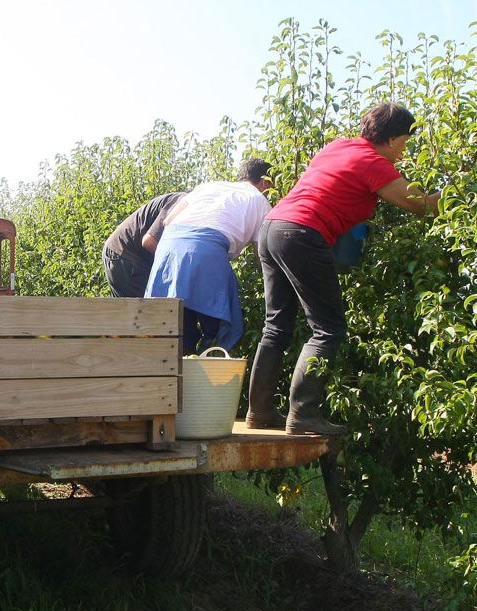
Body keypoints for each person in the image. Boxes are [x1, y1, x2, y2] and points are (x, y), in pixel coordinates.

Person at [245, 102, 440, 436]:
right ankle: (303, 415)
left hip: (272, 227)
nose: (404, 154)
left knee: (276, 327)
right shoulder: (373, 162)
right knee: (328, 329)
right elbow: (418, 203)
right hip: (303, 233)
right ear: (393, 139)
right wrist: (459, 195)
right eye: (405, 143)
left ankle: (258, 411)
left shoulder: (339, 146)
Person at [145, 159, 273, 355]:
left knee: (174, 322)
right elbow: (262, 255)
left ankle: (176, 374)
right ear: (265, 182)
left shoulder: (208, 186)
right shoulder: (260, 200)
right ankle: (206, 370)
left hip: (168, 249)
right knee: (217, 327)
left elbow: (169, 220)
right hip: (206, 251)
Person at [102, 191, 186, 297]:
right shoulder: (182, 202)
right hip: (125, 254)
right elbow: (149, 242)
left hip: (129, 255)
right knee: (146, 310)